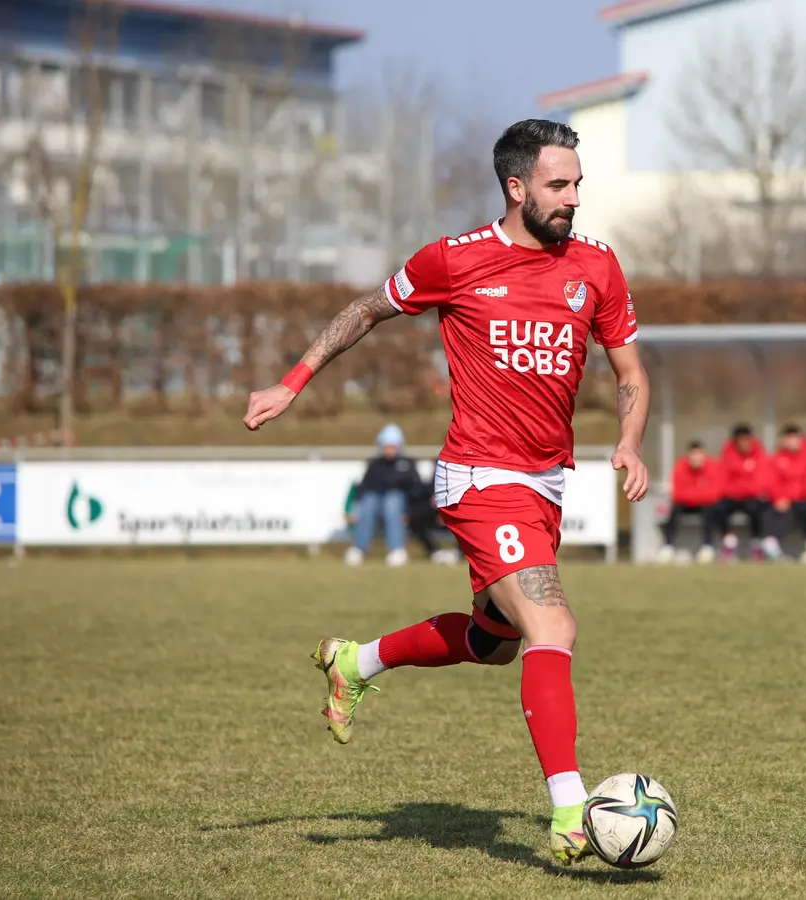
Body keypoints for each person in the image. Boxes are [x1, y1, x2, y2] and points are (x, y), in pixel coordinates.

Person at [242, 119, 650, 866]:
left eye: (579, 186)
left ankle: (355, 663)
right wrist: (292, 381)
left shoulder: (596, 266)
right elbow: (364, 310)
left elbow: (629, 373)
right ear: (517, 187)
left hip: (545, 484)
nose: (573, 200)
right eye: (560, 186)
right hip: (479, 477)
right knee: (552, 627)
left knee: (494, 644)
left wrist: (627, 440)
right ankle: (570, 815)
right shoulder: (454, 261)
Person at [344, 423, 422, 566]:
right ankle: (359, 549)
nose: (389, 450)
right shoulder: (375, 464)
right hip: (375, 504)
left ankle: (396, 549)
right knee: (368, 502)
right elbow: (364, 487)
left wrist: (410, 510)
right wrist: (353, 509)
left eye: (392, 446)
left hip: (398, 505)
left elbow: (416, 489)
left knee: (392, 501)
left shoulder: (407, 464)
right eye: (386, 446)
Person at [659, 440, 722, 564]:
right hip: (685, 504)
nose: (696, 458)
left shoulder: (712, 467)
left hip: (704, 504)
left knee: (709, 511)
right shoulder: (680, 467)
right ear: (689, 455)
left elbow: (714, 493)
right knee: (674, 510)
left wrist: (694, 495)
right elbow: (677, 493)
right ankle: (668, 547)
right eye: (693, 454)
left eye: (699, 454)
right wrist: (698, 495)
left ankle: (707, 547)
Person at [765, 424, 806, 562]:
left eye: (794, 438)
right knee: (770, 509)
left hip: (804, 498)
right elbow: (772, 481)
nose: (791, 442)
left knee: (804, 508)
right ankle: (771, 544)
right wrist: (778, 498)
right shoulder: (778, 458)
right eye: (787, 438)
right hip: (784, 500)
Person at [715, 424, 769, 559]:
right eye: (741, 440)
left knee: (756, 508)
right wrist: (742, 487)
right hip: (732, 496)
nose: (744, 443)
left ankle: (756, 544)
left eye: (747, 439)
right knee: (718, 507)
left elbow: (761, 482)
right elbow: (722, 480)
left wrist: (742, 486)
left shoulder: (760, 455)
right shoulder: (727, 454)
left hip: (752, 497)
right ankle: (729, 543)